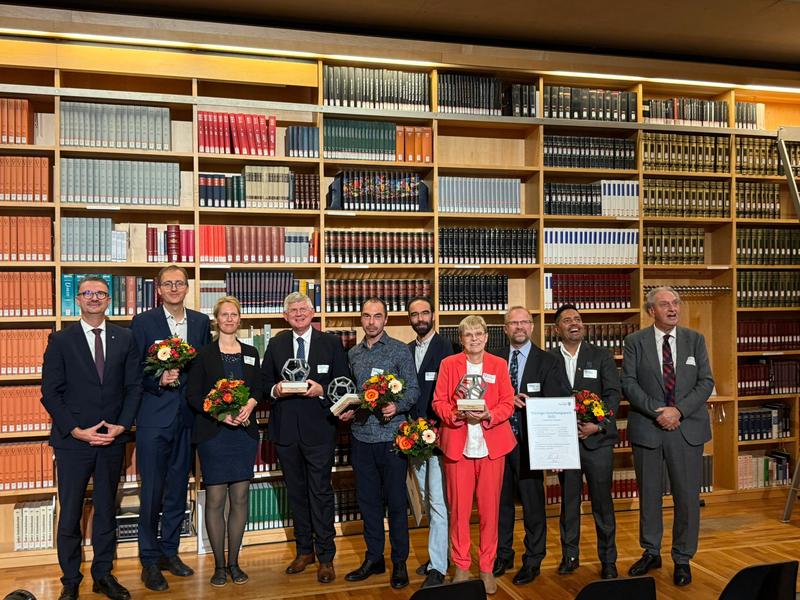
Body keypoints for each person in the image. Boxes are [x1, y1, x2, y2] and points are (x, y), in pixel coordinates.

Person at [41, 276, 142, 600]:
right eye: (88, 293)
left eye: (100, 293)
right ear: (78, 300)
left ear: (108, 299)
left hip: (112, 439)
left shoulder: (125, 338)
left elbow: (134, 387)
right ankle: (70, 581)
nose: (94, 298)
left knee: (105, 509)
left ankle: (103, 574)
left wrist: (121, 426)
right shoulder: (60, 339)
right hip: (73, 442)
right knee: (70, 512)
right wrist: (74, 429)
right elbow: (50, 393)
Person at [623, 286, 714, 587]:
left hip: (686, 428)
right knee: (649, 495)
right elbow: (629, 383)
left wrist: (678, 412)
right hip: (649, 427)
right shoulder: (634, 342)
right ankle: (651, 551)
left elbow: (705, 382)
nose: (673, 309)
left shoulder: (695, 340)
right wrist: (658, 411)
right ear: (651, 311)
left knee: (687, 497)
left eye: (675, 303)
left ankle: (683, 557)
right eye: (665, 304)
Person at [131, 265, 211, 591]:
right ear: (159, 289)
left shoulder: (201, 322)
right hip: (153, 418)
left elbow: (203, 367)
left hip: (187, 418)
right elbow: (134, 370)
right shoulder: (143, 322)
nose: (175, 288)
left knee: (178, 489)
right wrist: (158, 378)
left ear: (187, 287)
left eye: (180, 282)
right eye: (168, 283)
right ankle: (149, 560)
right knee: (152, 492)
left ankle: (170, 552)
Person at [261, 292, 350, 584]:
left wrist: (321, 391)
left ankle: (325, 556)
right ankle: (304, 551)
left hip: (319, 431)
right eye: (293, 310)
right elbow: (264, 387)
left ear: (312, 313)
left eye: (303, 309)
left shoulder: (331, 343)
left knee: (321, 493)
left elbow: (344, 385)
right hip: (286, 432)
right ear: (285, 316)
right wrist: (277, 390)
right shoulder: (275, 345)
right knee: (296, 494)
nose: (298, 314)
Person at [338, 297, 420, 589]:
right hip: (361, 437)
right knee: (368, 503)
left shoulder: (399, 350)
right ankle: (374, 558)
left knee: (397, 504)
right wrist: (347, 409)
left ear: (385, 320)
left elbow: (413, 389)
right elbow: (351, 392)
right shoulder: (353, 355)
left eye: (377, 316)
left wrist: (396, 407)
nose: (371, 321)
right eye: (366, 316)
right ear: (360, 319)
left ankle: (399, 562)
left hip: (392, 439)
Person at [432, 315, 516, 595]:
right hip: (458, 446)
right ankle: (462, 565)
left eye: (479, 333)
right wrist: (454, 414)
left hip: (491, 448)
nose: (475, 339)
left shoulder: (498, 365)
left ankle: (487, 568)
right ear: (461, 339)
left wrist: (490, 414)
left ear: (487, 336)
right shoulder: (449, 364)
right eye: (469, 335)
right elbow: (438, 402)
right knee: (459, 512)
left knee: (490, 512)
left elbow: (507, 403)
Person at [491, 306, 571, 585]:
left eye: (524, 322)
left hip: (532, 445)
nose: (519, 327)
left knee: (533, 504)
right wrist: (503, 401)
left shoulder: (548, 361)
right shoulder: (494, 359)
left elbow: (558, 403)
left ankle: (533, 559)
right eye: (513, 323)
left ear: (533, 327)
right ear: (505, 328)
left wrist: (557, 448)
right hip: (498, 442)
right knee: (500, 504)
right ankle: (503, 554)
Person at [186, 296, 261, 587]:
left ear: (240, 320)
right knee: (216, 499)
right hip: (214, 434)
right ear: (216, 320)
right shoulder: (203, 354)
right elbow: (193, 395)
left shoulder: (252, 352)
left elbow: (260, 386)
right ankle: (218, 565)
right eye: (224, 315)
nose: (229, 319)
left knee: (240, 498)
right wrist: (220, 414)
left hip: (243, 434)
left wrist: (252, 402)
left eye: (234, 315)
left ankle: (234, 563)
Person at [550, 304, 621, 579]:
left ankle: (608, 560)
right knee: (568, 503)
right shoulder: (549, 359)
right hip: (566, 444)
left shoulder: (601, 356)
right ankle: (570, 555)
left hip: (598, 442)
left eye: (578, 319)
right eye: (567, 320)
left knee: (603, 503)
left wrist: (598, 425)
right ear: (558, 329)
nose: (574, 323)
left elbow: (614, 395)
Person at [406, 296, 453, 588]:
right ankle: (438, 555)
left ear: (433, 315)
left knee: (438, 502)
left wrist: (435, 429)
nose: (420, 318)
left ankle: (438, 566)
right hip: (412, 438)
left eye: (425, 313)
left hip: (437, 439)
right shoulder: (407, 350)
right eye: (415, 314)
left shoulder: (447, 348)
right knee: (423, 501)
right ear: (409, 319)